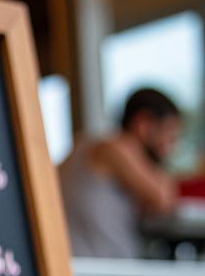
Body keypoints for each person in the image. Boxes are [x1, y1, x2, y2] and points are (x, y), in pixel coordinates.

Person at [58, 87, 180, 258]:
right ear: (143, 124)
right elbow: (163, 199)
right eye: (168, 134)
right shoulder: (116, 147)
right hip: (97, 271)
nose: (170, 147)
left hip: (85, 266)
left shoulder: (90, 145)